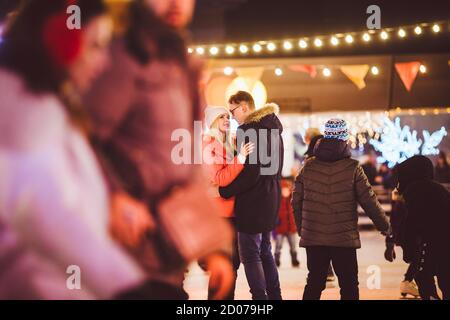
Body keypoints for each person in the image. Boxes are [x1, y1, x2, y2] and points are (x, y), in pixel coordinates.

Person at [83, 0, 234, 300]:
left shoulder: (184, 68)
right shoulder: (121, 58)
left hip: (167, 258)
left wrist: (212, 246)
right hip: (121, 260)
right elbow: (79, 137)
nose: (175, 3)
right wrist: (114, 195)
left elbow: (187, 166)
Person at [0, 0, 150, 299]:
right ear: (60, 40)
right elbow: (47, 214)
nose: (105, 61)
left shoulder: (49, 108)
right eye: (95, 45)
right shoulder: (22, 116)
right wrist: (127, 286)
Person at [292, 119, 390, 300]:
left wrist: (304, 230)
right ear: (345, 138)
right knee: (349, 284)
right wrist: (386, 227)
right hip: (343, 239)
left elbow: (296, 201)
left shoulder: (308, 167)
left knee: (314, 282)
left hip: (315, 238)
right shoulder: (353, 168)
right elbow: (369, 201)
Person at [219, 91, 284, 300]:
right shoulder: (273, 128)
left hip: (253, 201)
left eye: (233, 111)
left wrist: (225, 190)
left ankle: (260, 300)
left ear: (244, 107)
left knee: (250, 254)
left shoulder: (249, 130)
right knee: (265, 251)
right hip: (271, 196)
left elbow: (251, 172)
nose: (232, 116)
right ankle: (275, 297)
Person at [202, 106, 254, 299]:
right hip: (219, 213)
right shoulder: (208, 145)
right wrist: (240, 158)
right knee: (223, 266)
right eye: (221, 116)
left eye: (227, 116)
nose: (226, 119)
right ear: (213, 121)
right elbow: (220, 178)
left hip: (233, 211)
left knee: (232, 265)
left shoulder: (231, 142)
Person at [385, 155, 450, 300]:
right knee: (445, 280)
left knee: (423, 277)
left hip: (428, 243)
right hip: (445, 242)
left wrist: (406, 249)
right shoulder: (439, 189)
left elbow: (409, 222)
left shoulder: (413, 191)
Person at [274, 178, 299, 268]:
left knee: (293, 246)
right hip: (280, 227)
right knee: (278, 245)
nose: (285, 192)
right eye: (283, 190)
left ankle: (294, 260)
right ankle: (276, 260)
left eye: (287, 189)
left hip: (291, 228)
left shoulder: (292, 200)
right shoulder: (278, 201)